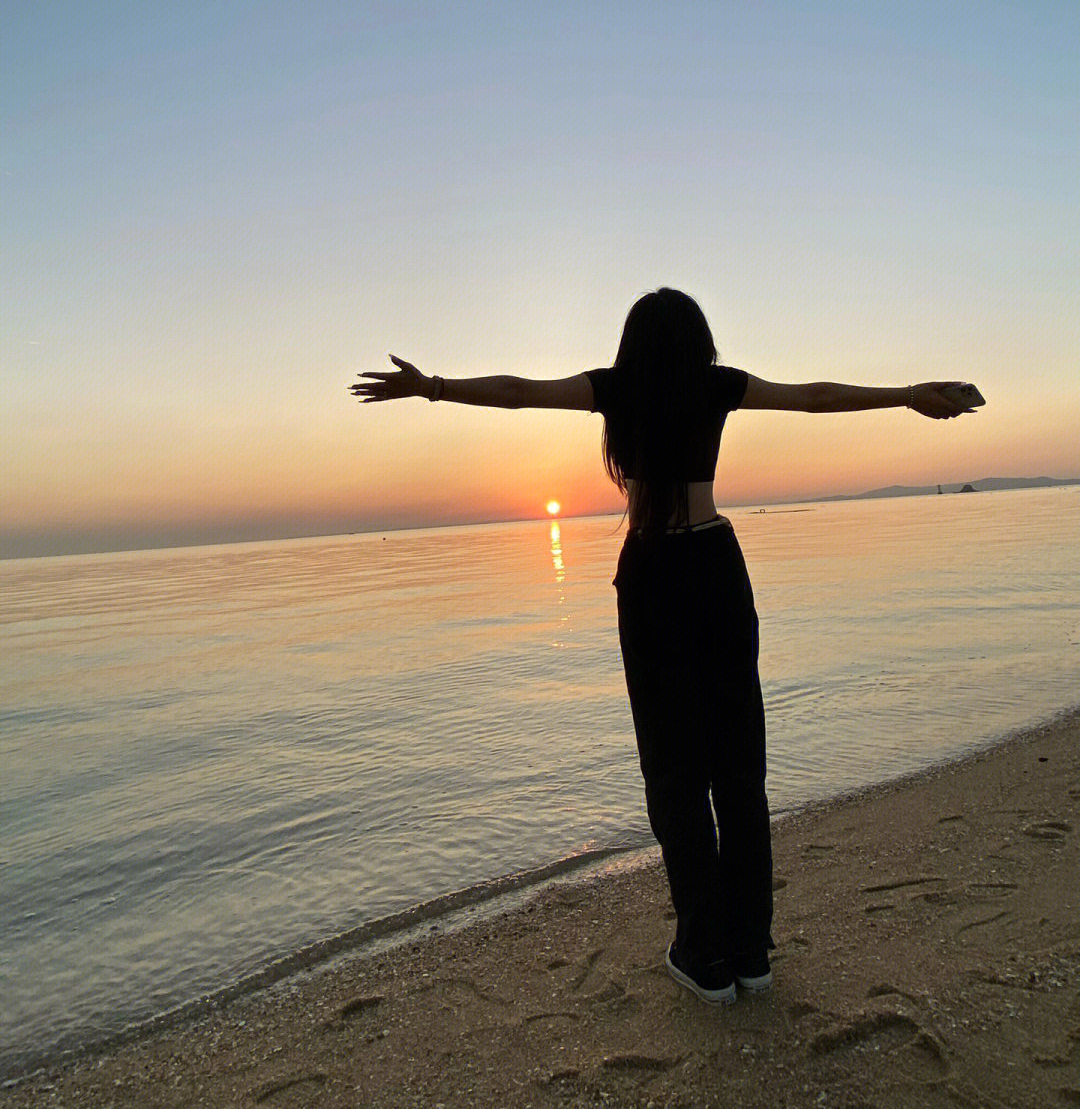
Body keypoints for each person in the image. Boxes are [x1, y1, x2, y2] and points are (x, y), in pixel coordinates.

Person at [350, 287, 976, 1006]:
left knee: (675, 772)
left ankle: (704, 955)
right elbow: (813, 397)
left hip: (653, 573)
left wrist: (431, 387)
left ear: (633, 343)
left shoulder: (618, 388)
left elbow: (520, 393)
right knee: (738, 766)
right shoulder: (717, 385)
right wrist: (907, 394)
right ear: (700, 339)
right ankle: (750, 950)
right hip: (716, 564)